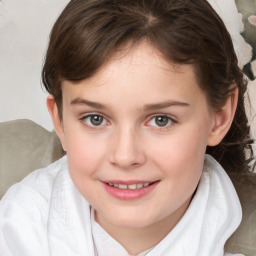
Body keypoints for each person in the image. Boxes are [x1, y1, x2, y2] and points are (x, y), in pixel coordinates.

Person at [0, 0, 255, 255]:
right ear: (61, 122)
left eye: (161, 120)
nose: (124, 156)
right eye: (95, 119)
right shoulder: (17, 227)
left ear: (219, 117)